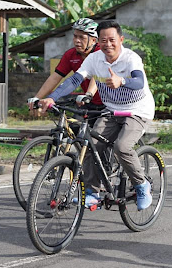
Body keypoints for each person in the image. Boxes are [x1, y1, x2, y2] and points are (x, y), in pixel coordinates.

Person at [38, 20, 156, 210]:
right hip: (111, 110)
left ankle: (142, 185)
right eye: (103, 40)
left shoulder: (130, 58)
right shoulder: (94, 59)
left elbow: (139, 82)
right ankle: (93, 193)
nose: (108, 44)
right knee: (90, 145)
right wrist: (51, 98)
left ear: (121, 40)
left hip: (137, 111)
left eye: (112, 40)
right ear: (97, 42)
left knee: (122, 146)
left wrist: (122, 81)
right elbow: (74, 80)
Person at [27, 18, 104, 113]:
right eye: (75, 36)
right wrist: (37, 98)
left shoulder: (101, 52)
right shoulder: (70, 55)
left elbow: (97, 76)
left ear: (93, 40)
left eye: (81, 37)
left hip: (108, 103)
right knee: (75, 126)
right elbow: (55, 78)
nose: (77, 41)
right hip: (86, 102)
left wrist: (89, 94)